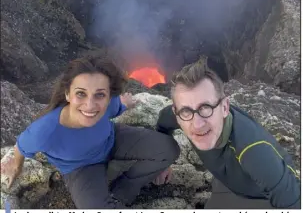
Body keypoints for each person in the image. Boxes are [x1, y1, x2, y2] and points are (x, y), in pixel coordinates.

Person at [1, 54, 180, 209]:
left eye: (100, 94)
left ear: (109, 95)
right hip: (81, 167)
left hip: (113, 140)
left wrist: (125, 104)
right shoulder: (45, 130)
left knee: (169, 150)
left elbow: (116, 106)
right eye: (81, 93)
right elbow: (21, 146)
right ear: (67, 94)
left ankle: (123, 190)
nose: (90, 105)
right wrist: (15, 167)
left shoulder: (109, 103)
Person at [154, 56, 300, 209]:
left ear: (224, 107)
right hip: (226, 182)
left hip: (261, 196)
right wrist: (163, 163)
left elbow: (293, 202)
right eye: (186, 111)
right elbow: (162, 127)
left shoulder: (254, 151)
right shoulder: (177, 117)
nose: (197, 124)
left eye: (205, 108)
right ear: (176, 112)